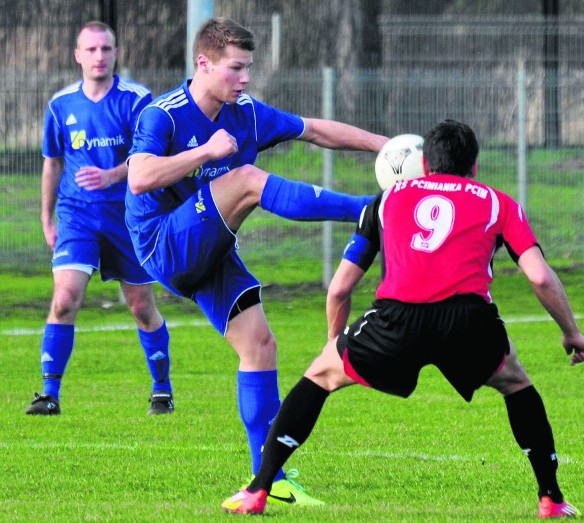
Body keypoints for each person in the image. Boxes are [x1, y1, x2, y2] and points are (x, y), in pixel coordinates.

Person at [221, 119, 584, 518]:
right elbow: (539, 276)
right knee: (517, 384)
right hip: (467, 321)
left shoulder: (386, 199)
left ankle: (259, 490)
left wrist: (336, 343)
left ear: (426, 165)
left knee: (319, 376)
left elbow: (340, 289)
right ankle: (551, 498)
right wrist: (571, 333)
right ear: (475, 167)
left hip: (395, 319)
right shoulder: (498, 202)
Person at [125, 17, 388, 506]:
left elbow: (314, 131)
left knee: (261, 346)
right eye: (236, 69)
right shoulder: (162, 114)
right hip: (162, 242)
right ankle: (367, 212)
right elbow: (139, 178)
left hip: (211, 246)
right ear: (203, 63)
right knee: (246, 178)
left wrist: (384, 146)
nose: (244, 79)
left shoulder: (244, 112)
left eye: (248, 68)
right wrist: (205, 151)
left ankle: (268, 481)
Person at [27, 21, 174, 417]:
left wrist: (112, 175)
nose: (99, 56)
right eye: (91, 50)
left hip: (129, 217)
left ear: (115, 53)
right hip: (76, 216)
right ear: (77, 55)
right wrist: (47, 217)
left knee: (142, 306)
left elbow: (152, 158)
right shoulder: (61, 105)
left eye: (106, 49)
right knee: (64, 300)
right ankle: (48, 393)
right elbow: (52, 162)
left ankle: (162, 388)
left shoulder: (137, 100)